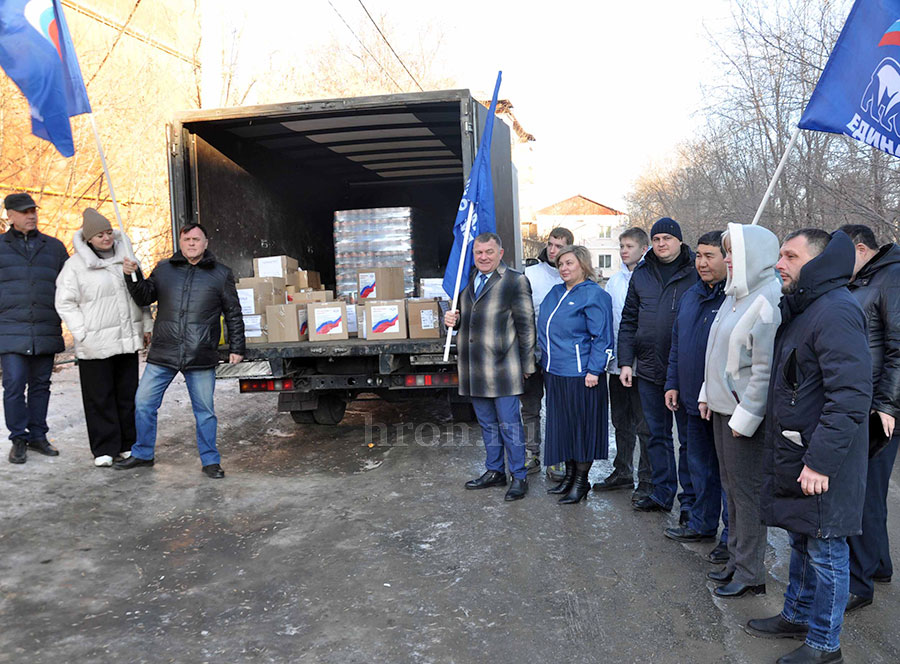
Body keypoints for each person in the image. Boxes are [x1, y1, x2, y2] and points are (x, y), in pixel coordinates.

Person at [747, 229, 871, 664]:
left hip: (823, 460)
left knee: (826, 550)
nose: (778, 263)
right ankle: (797, 615)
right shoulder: (805, 308)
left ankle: (824, 647)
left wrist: (819, 462)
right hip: (798, 451)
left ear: (817, 263)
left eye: (789, 256)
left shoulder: (836, 311)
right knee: (803, 539)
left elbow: (851, 396)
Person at [114, 223, 245, 479]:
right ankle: (142, 454)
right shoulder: (164, 269)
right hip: (164, 352)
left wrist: (237, 347)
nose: (192, 243)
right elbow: (144, 297)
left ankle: (210, 461)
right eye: (187, 239)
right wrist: (132, 275)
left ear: (206, 243)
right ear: (181, 242)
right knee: (143, 404)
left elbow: (233, 312)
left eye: (197, 239)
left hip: (200, 354)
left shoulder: (221, 274)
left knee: (205, 412)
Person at [697, 223, 781, 599]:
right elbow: (717, 352)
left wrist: (746, 417)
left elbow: (764, 370)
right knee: (730, 489)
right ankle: (736, 559)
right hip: (720, 408)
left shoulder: (768, 299)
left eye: (731, 252)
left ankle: (750, 572)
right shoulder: (736, 296)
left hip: (741, 416)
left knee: (745, 496)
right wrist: (705, 393)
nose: (726, 258)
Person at [55, 209, 154, 467]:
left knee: (127, 394)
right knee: (99, 397)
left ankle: (126, 444)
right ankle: (104, 448)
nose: (106, 238)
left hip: (126, 339)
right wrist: (81, 332)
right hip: (94, 343)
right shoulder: (75, 267)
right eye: (99, 235)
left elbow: (140, 296)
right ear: (89, 239)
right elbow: (65, 303)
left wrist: (146, 325)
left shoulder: (128, 259)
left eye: (109, 232)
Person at [444, 232, 536, 502]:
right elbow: (465, 322)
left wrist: (527, 363)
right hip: (474, 368)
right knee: (486, 424)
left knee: (510, 425)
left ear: (500, 253)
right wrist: (452, 320)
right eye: (478, 253)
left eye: (489, 252)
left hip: (504, 367)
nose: (483, 257)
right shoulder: (468, 279)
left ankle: (519, 476)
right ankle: (495, 471)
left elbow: (526, 326)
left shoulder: (515, 280)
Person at [838, 224, 900, 614]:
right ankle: (878, 565)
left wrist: (888, 405)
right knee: (872, 491)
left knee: (863, 495)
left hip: (878, 405)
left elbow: (898, 346)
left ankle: (858, 583)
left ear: (861, 248)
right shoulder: (867, 278)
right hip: (868, 399)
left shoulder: (891, 278)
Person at [617, 217, 698, 519]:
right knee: (655, 435)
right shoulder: (642, 274)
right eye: (657, 238)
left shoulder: (695, 271)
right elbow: (628, 321)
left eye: (667, 238)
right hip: (649, 369)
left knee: (688, 441)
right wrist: (626, 362)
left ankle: (690, 502)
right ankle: (662, 492)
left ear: (679, 240)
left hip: (687, 371)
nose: (662, 244)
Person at [663, 231, 728, 553]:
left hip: (722, 403)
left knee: (726, 473)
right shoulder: (692, 295)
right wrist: (672, 382)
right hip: (690, 399)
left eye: (710, 256)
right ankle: (701, 523)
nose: (701, 263)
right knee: (697, 464)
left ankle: (732, 541)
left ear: (727, 258)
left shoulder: (735, 299)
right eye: (699, 255)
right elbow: (678, 344)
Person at [538, 245, 614, 503]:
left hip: (582, 375)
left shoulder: (593, 295)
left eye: (569, 263)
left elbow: (602, 336)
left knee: (582, 428)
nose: (564, 268)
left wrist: (594, 369)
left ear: (582, 264)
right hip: (556, 373)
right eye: (560, 264)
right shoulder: (556, 291)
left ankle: (581, 482)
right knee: (565, 428)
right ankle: (569, 477)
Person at [0, 193, 68, 464]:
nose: (31, 216)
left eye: (33, 211)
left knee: (41, 385)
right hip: (9, 328)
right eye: (24, 212)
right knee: (14, 383)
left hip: (45, 326)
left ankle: (39, 435)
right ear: (10, 216)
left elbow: (69, 286)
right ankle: (19, 437)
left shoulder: (54, 247)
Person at [593, 227, 653, 502]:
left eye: (629, 246)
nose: (623, 251)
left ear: (644, 248)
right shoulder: (615, 280)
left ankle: (648, 479)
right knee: (621, 420)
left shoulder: (651, 277)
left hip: (643, 365)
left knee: (645, 425)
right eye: (621, 246)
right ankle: (623, 471)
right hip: (617, 364)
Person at [523, 226, 573, 478]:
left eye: (560, 246)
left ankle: (556, 458)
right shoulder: (530, 274)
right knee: (530, 407)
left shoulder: (572, 274)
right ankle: (531, 453)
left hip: (560, 357)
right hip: (533, 353)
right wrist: (524, 354)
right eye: (551, 244)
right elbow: (521, 316)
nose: (553, 250)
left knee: (558, 409)